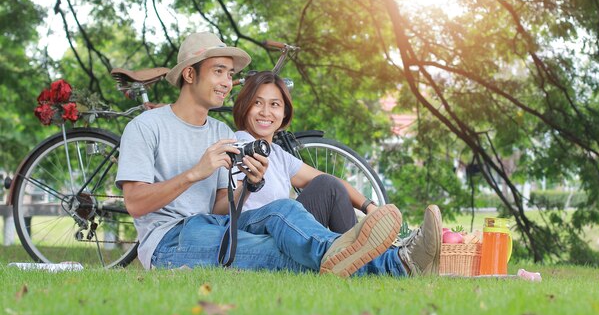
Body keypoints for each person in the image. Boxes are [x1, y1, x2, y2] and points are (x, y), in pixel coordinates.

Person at [115, 31, 442, 277]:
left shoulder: (220, 133)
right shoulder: (146, 127)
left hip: (215, 224)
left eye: (229, 74)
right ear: (190, 74)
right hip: (169, 240)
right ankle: (397, 262)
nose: (227, 82)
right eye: (218, 71)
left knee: (283, 208)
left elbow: (219, 206)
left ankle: (373, 254)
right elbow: (136, 203)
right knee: (276, 252)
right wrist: (194, 173)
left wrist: (249, 185)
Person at [232, 70, 370, 233]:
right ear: (244, 107)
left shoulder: (278, 154)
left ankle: (358, 253)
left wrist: (369, 207)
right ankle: (364, 255)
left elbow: (331, 183)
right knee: (328, 186)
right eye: (257, 103)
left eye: (274, 104)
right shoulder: (239, 144)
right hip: (257, 238)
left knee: (328, 184)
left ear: (284, 113)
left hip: (282, 234)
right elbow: (225, 208)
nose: (265, 112)